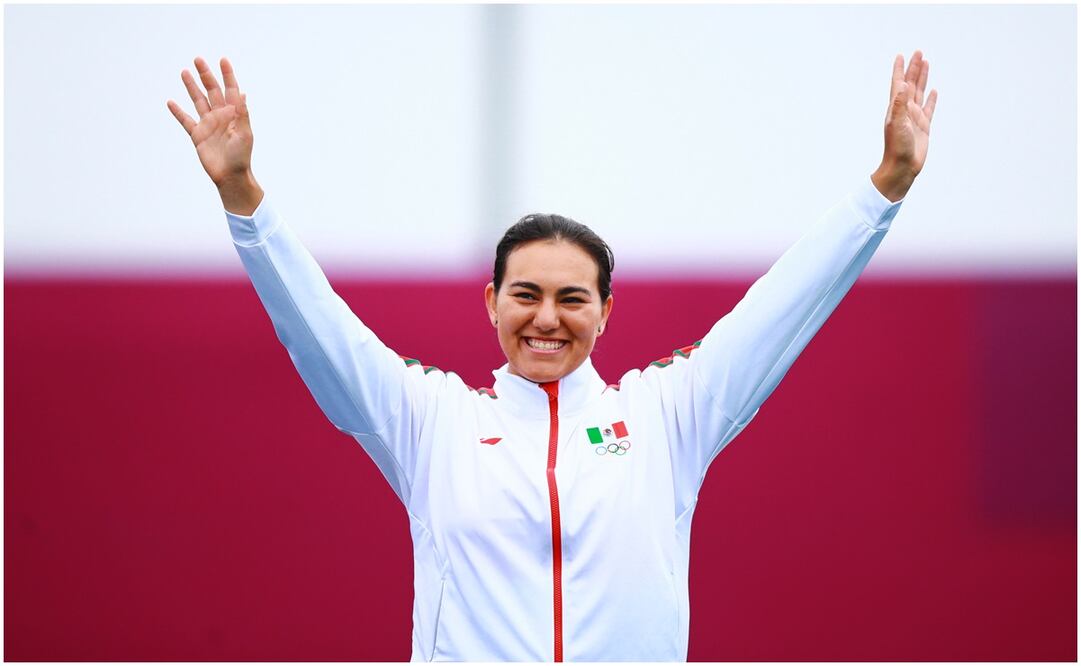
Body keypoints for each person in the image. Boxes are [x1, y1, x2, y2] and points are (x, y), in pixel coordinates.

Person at [168, 51, 937, 661]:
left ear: (605, 313)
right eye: (525, 294)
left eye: (572, 299)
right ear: (491, 302)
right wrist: (244, 197)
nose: (546, 318)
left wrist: (886, 187)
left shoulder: (666, 413)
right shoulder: (430, 420)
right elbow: (320, 331)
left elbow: (779, 310)